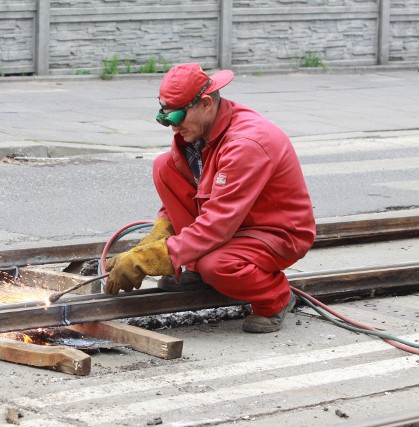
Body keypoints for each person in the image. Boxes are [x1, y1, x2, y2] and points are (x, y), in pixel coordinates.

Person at [103, 63, 316, 333]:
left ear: (204, 103)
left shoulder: (246, 144)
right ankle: (193, 268)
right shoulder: (199, 131)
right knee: (164, 165)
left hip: (274, 231)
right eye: (167, 119)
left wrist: (155, 257)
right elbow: (192, 196)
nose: (173, 127)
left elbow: (217, 224)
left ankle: (276, 298)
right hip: (230, 222)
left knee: (216, 265)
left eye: (178, 117)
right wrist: (159, 234)